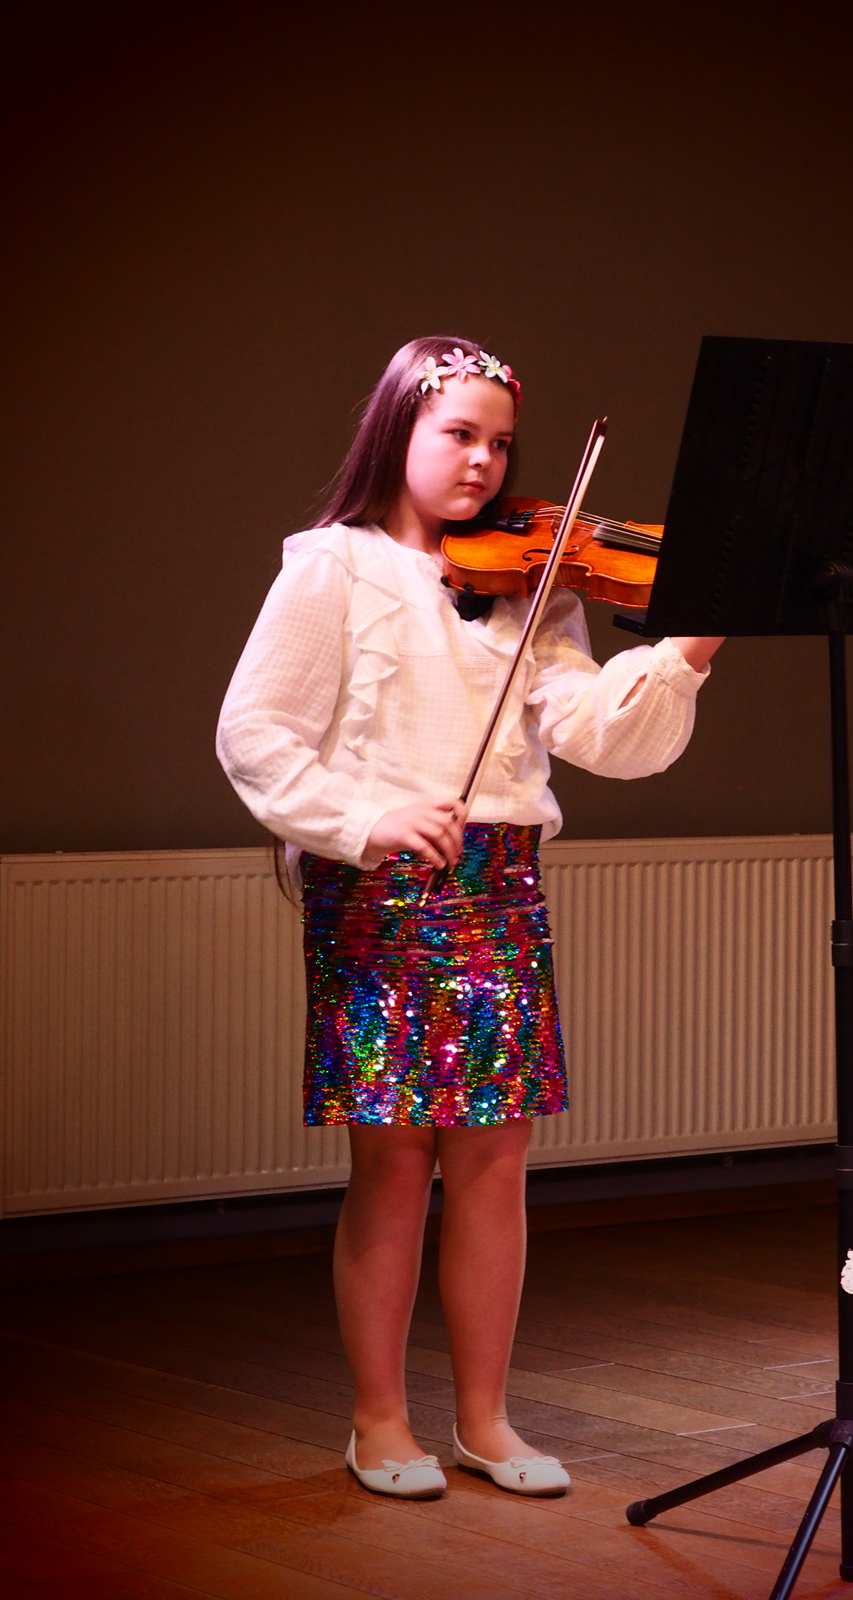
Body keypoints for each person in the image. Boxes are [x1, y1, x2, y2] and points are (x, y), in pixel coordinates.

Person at [217, 336, 723, 1500]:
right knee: (394, 1160)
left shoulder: (528, 586)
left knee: (496, 1159)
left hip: (499, 880)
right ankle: (378, 1419)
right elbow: (255, 732)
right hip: (382, 883)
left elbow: (602, 735)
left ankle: (487, 1422)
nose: (485, 461)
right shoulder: (334, 567)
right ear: (397, 429)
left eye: (501, 442)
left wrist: (692, 641)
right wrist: (367, 814)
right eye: (459, 433)